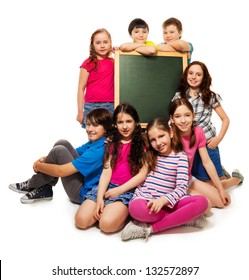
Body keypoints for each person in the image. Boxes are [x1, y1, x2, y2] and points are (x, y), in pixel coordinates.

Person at [121, 117, 208, 241]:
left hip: (170, 201)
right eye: (153, 140)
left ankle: (150, 229)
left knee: (202, 202)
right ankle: (182, 218)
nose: (158, 143)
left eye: (161, 136)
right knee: (135, 209)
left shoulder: (181, 157)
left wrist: (163, 200)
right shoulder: (150, 155)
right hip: (147, 201)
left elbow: (182, 188)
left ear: (171, 133)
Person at [9, 108, 113, 204]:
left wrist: (38, 166)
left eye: (95, 125)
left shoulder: (99, 151)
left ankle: (33, 184)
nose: (90, 129)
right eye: (89, 124)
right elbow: (71, 152)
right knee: (62, 143)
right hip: (83, 181)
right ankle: (45, 188)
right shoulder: (96, 142)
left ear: (105, 128)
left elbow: (61, 171)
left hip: (82, 193)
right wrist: (46, 158)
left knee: (59, 151)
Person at [75, 102, 148, 233]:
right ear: (115, 124)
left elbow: (142, 175)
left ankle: (121, 213)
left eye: (129, 121)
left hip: (126, 189)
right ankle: (108, 210)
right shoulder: (112, 142)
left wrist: (119, 191)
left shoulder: (143, 143)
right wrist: (99, 198)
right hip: (107, 186)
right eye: (120, 122)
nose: (125, 126)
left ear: (136, 122)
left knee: (106, 225)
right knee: (81, 221)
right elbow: (106, 172)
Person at [172, 61, 244, 186]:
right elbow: (173, 118)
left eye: (198, 74)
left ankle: (235, 179)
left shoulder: (209, 96)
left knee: (216, 185)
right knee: (196, 182)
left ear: (204, 78)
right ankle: (220, 173)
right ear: (186, 75)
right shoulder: (179, 96)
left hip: (207, 143)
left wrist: (219, 138)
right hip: (188, 144)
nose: (194, 77)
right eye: (191, 73)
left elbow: (225, 119)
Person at [169, 98, 243, 209]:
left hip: (187, 179)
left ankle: (235, 180)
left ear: (193, 116)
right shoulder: (168, 134)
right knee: (205, 203)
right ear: (172, 119)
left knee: (221, 201)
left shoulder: (198, 132)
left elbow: (207, 161)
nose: (183, 120)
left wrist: (221, 191)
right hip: (171, 183)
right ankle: (222, 183)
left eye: (187, 115)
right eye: (178, 116)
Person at [76, 28, 114, 128]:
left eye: (105, 42)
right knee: (93, 134)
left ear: (110, 43)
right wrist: (80, 112)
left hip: (110, 105)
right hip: (91, 105)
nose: (102, 46)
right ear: (92, 45)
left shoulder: (114, 62)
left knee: (108, 137)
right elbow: (81, 88)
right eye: (98, 43)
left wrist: (118, 52)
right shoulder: (88, 63)